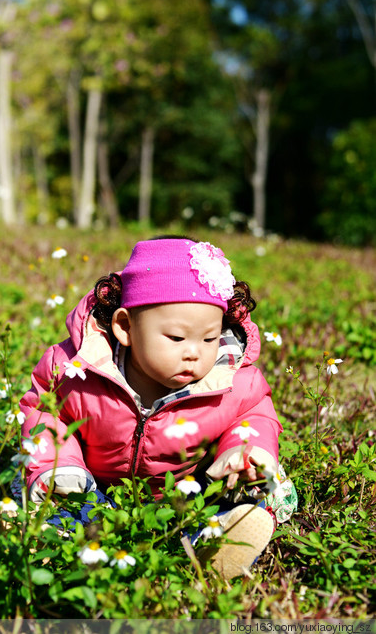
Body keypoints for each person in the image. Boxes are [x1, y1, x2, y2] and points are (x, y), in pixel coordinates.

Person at [19, 236, 296, 580]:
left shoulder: (231, 379)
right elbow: (45, 413)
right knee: (46, 491)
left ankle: (214, 539)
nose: (194, 352)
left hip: (185, 491)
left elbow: (253, 413)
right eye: (177, 338)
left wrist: (244, 450)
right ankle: (44, 538)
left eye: (209, 338)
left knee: (252, 487)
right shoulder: (76, 369)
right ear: (125, 327)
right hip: (93, 486)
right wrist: (60, 465)